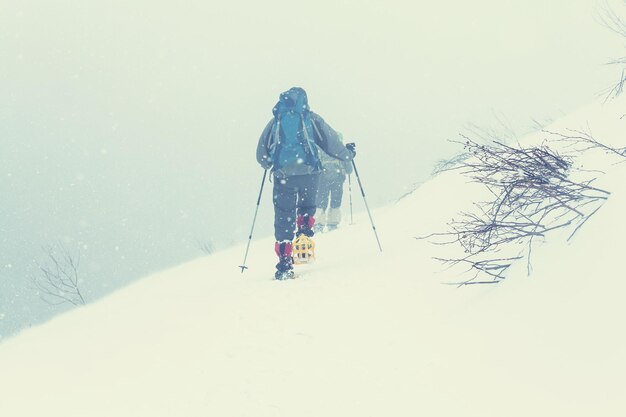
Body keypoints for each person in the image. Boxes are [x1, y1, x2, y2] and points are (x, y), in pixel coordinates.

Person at [256, 87, 356, 279]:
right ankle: (303, 229)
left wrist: (269, 163)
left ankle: (284, 262)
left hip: (283, 176)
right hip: (309, 173)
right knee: (307, 205)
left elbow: (261, 155)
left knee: (284, 215)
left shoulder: (276, 121)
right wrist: (348, 154)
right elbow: (331, 143)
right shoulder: (311, 118)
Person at [315, 133, 353, 233]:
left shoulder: (320, 149)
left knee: (321, 201)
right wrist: (349, 155)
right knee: (336, 201)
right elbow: (349, 170)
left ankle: (318, 224)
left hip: (322, 178)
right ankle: (333, 223)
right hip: (337, 178)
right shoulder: (341, 151)